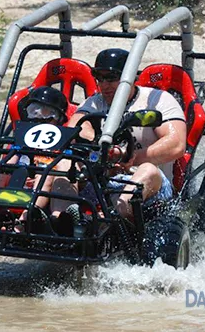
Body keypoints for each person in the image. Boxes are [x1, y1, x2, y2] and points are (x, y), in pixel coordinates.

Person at [65, 48, 188, 219]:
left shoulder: (156, 100)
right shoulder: (95, 102)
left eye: (111, 77)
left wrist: (130, 157)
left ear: (129, 77)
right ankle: (60, 217)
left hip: (151, 187)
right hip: (102, 181)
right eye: (99, 78)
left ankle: (110, 219)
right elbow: (75, 128)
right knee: (63, 162)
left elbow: (176, 144)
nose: (104, 84)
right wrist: (101, 147)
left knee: (148, 169)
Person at [0, 86, 69, 226]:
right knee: (2, 168)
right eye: (34, 110)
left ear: (57, 117)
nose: (38, 116)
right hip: (20, 179)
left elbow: (61, 165)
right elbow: (11, 159)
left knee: (45, 174)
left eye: (45, 112)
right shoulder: (26, 136)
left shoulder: (60, 140)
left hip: (46, 184)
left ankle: (23, 222)